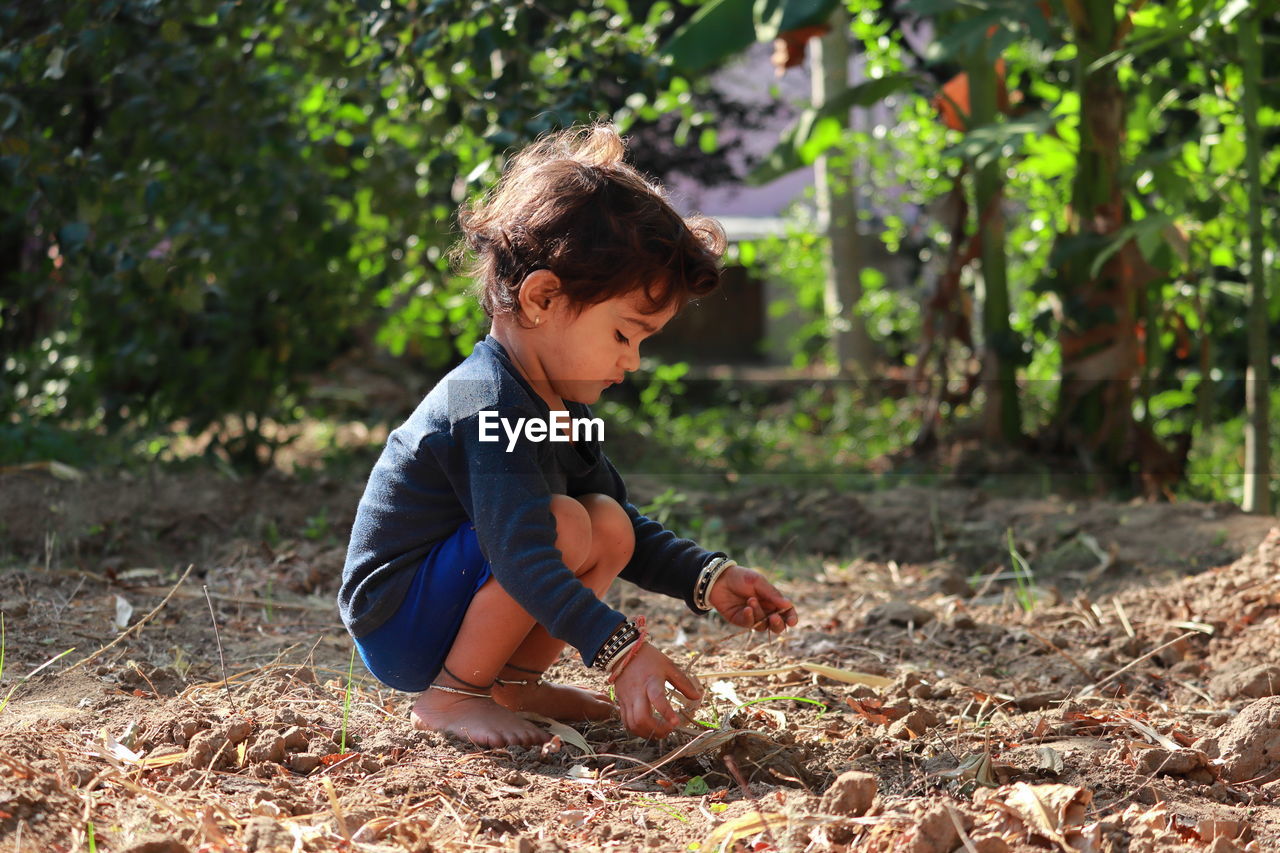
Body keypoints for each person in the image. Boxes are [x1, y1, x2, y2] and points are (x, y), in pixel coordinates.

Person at [339, 122, 798, 748]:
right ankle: (450, 697)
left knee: (603, 519)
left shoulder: (557, 405)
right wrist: (621, 650)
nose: (632, 361)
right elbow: (522, 551)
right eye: (622, 335)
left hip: (452, 598)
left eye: (640, 342)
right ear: (541, 300)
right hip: (399, 617)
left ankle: (513, 684)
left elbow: (626, 534)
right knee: (558, 523)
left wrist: (709, 578)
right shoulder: (487, 404)